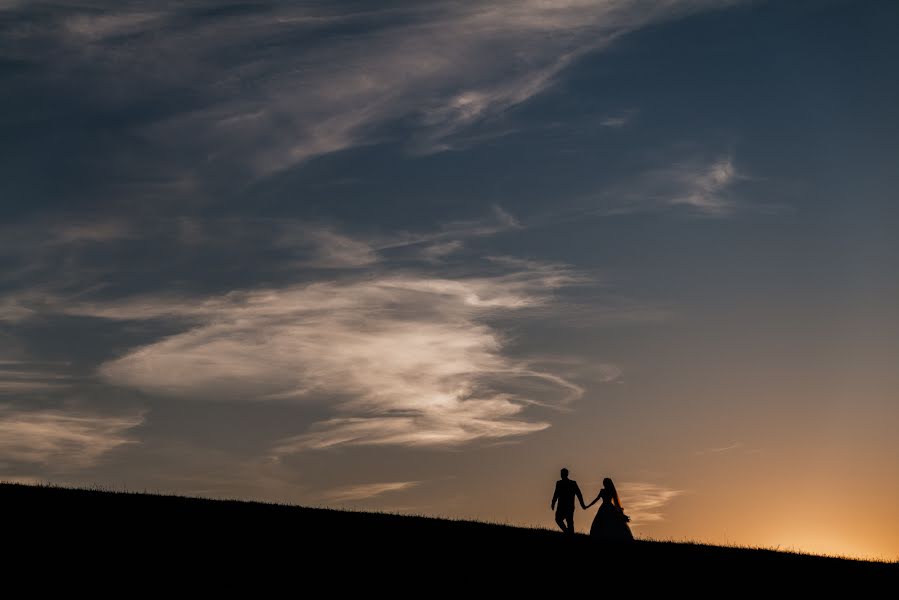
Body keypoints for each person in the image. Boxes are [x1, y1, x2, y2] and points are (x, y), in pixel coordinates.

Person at [585, 477, 634, 541]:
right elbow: (596, 500)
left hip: (606, 508)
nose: (604, 484)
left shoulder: (606, 491)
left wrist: (588, 506)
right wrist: (588, 506)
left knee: (607, 522)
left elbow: (615, 502)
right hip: (608, 508)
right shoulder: (606, 491)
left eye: (605, 483)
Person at [550, 468, 586, 534]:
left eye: (562, 473)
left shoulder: (571, 483)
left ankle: (569, 533)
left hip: (567, 506)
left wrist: (582, 505)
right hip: (565, 506)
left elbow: (579, 494)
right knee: (561, 520)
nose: (561, 475)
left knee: (568, 521)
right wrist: (553, 502)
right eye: (561, 473)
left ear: (565, 474)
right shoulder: (561, 483)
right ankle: (567, 532)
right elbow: (556, 494)